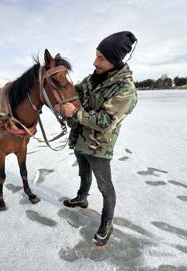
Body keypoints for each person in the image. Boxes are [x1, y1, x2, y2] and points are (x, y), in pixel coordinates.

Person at [55, 31, 138, 247]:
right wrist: (60, 98)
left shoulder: (126, 90)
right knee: (83, 173)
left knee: (105, 187)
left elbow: (105, 121)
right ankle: (82, 197)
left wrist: (73, 112)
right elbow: (74, 93)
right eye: (96, 55)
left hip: (99, 147)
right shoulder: (92, 78)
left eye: (101, 58)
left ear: (116, 60)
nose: (95, 62)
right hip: (80, 139)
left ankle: (107, 223)